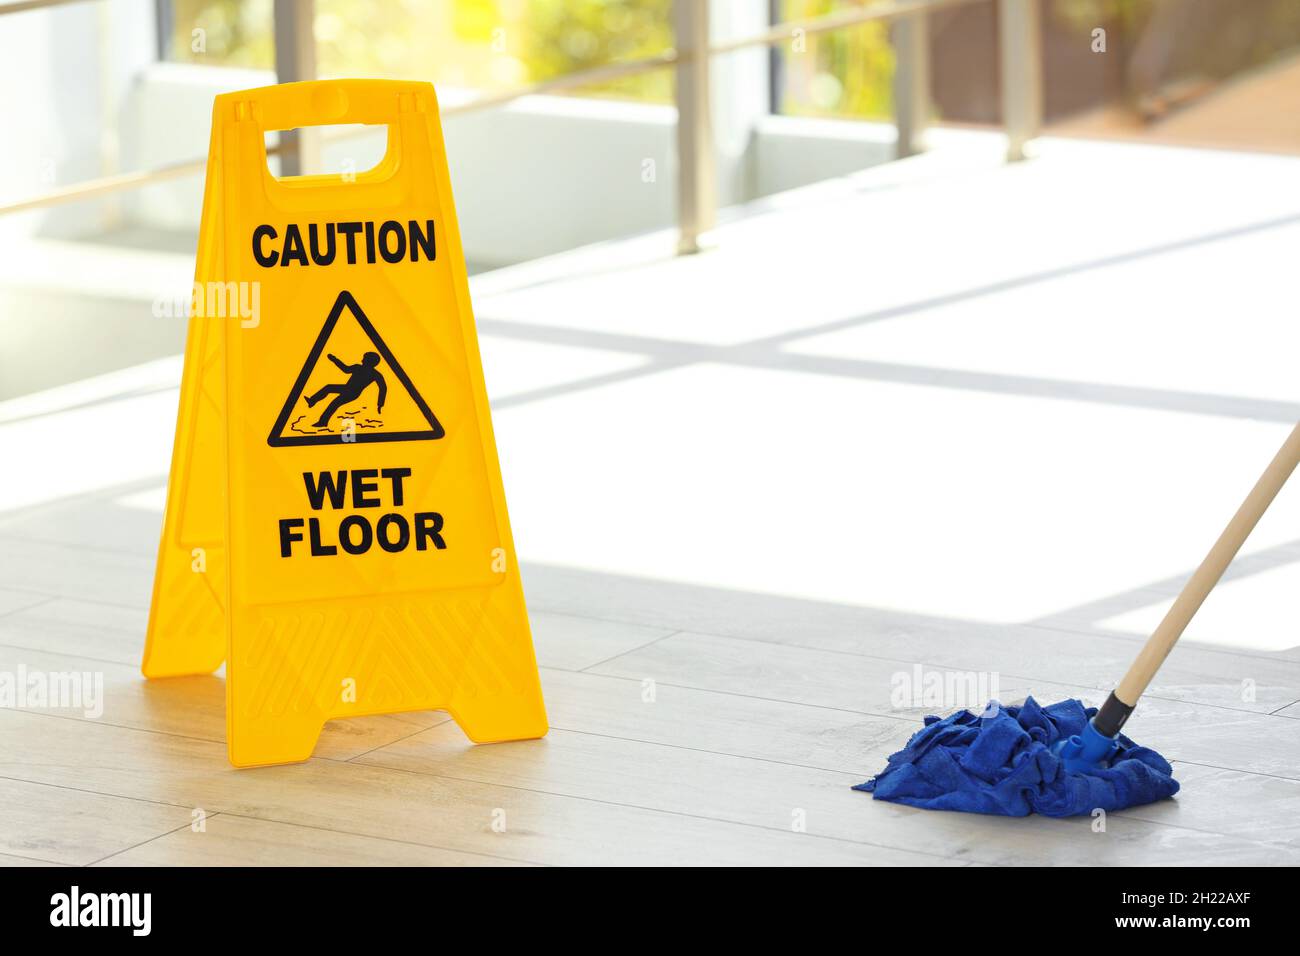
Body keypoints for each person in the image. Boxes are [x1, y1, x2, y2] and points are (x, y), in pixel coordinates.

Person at [305, 351, 387, 428]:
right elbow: (346, 369)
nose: (362, 360)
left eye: (364, 358)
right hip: (347, 389)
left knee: (334, 402)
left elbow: (383, 388)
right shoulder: (359, 368)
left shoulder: (374, 374)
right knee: (329, 389)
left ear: (369, 361)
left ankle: (322, 420)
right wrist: (334, 360)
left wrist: (380, 404)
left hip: (352, 393)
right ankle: (313, 403)